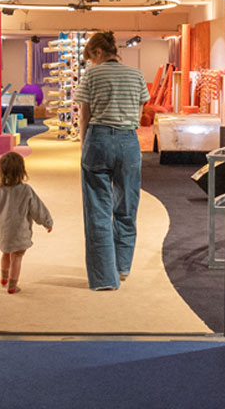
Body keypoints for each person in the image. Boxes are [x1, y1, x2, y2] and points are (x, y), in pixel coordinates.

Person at [73, 31, 150, 291]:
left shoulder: (92, 75)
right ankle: (123, 266)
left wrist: (85, 146)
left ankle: (104, 277)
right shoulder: (136, 74)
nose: (90, 63)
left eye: (90, 58)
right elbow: (139, 114)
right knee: (127, 205)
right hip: (129, 141)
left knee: (97, 209)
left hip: (99, 139)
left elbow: (84, 116)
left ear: (97, 52)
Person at [0, 151, 53, 294]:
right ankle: (13, 286)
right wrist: (47, 222)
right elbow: (37, 209)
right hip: (20, 232)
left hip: (3, 232)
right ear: (21, 171)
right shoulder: (26, 190)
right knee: (17, 257)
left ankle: (4, 278)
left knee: (6, 253)